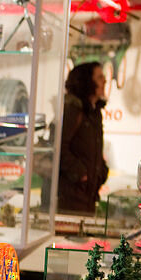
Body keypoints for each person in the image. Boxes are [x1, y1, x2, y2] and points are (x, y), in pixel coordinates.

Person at [57, 61, 108, 214]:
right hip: (70, 199)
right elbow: (58, 147)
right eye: (99, 77)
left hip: (87, 197)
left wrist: (101, 173)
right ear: (87, 81)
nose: (105, 80)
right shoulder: (72, 109)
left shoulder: (93, 112)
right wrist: (81, 174)